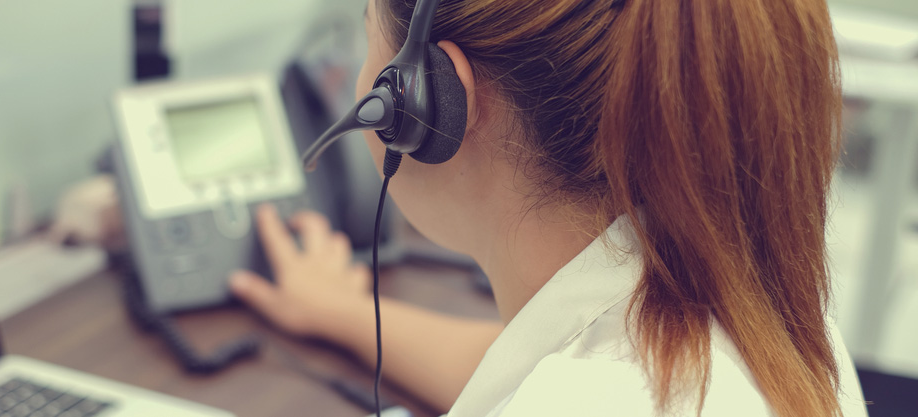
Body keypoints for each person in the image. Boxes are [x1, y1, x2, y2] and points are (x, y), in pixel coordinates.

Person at [228, 0, 869, 416]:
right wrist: (335, 312)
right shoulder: (752, 315)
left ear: (430, 100)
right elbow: (511, 364)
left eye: (368, 27)